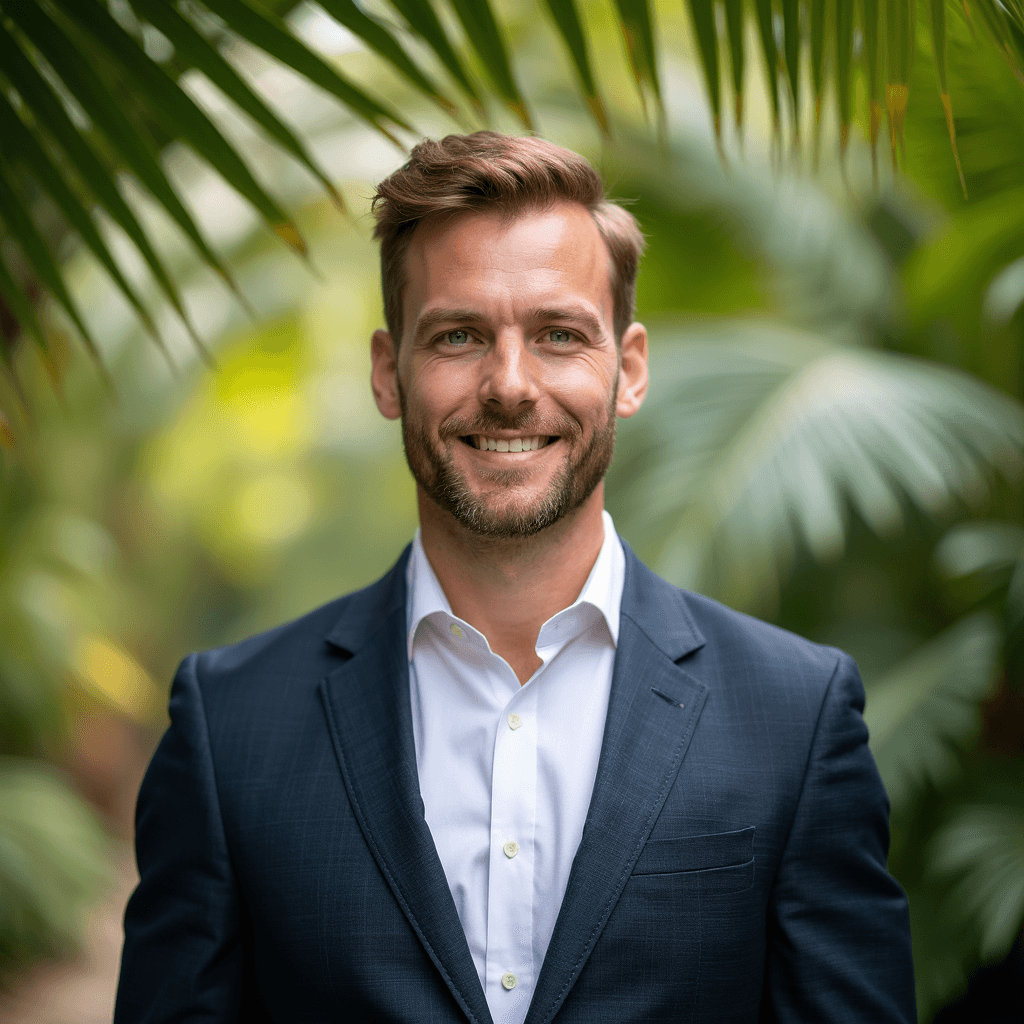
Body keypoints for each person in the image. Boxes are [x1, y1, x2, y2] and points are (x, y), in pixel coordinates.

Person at [115, 132, 916, 1024]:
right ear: (390, 373)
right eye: (458, 335)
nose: (509, 385)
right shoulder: (229, 730)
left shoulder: (796, 718)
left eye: (559, 335)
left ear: (629, 369)